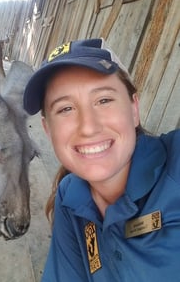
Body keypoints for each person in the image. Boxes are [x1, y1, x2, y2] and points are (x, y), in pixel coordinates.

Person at [23, 38, 180, 281]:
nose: (88, 127)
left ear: (134, 109)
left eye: (104, 100)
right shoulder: (70, 197)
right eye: (65, 109)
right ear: (47, 130)